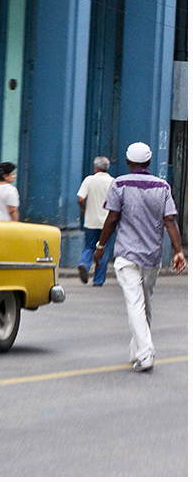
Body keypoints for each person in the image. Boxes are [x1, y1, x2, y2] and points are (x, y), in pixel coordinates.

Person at [93, 142, 186, 372]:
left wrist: (101, 245)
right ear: (149, 162)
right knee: (145, 303)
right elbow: (170, 220)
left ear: (127, 161)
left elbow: (113, 218)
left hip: (126, 254)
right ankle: (137, 350)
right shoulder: (162, 186)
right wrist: (178, 251)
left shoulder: (120, 184)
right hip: (152, 255)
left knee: (135, 304)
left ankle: (146, 354)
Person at [77, 156, 115, 286]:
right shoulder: (113, 182)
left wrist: (84, 209)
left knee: (89, 246)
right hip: (107, 222)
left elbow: (80, 199)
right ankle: (98, 280)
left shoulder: (89, 180)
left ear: (96, 167)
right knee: (103, 248)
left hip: (91, 220)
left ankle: (85, 264)